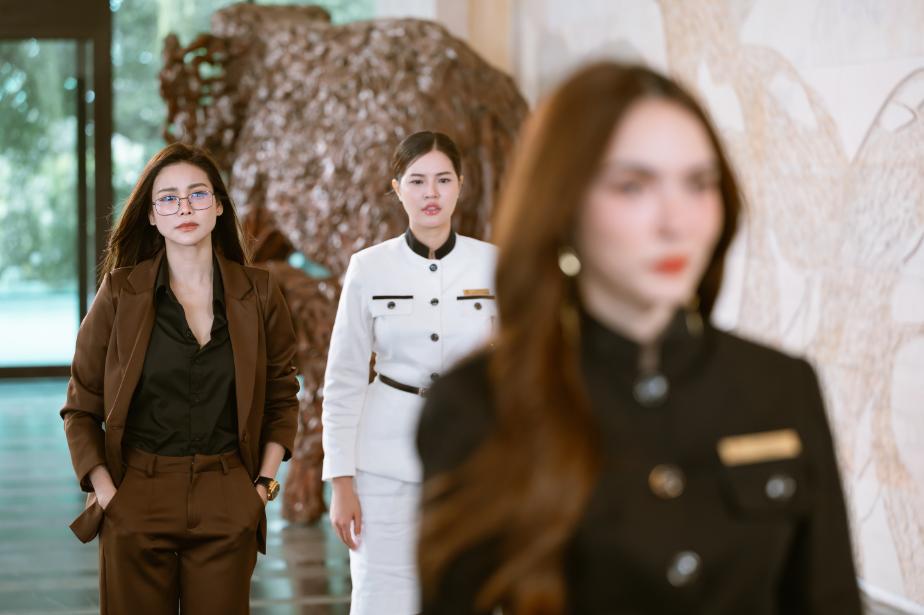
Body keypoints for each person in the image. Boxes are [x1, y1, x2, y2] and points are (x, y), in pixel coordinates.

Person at [416, 63, 863, 614]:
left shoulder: (780, 386)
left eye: (698, 184)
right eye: (632, 186)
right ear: (563, 204)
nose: (676, 222)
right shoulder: (478, 401)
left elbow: (829, 600)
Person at [60, 143, 300, 615]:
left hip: (228, 492)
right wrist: (108, 496)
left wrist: (261, 489)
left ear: (219, 206)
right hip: (137, 493)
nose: (185, 207)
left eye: (197, 194)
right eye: (168, 198)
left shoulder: (259, 292)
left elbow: (282, 395)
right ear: (152, 216)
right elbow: (80, 407)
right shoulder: (120, 293)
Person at [321, 131, 498, 614]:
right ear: (397, 188)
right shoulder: (368, 268)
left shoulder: (491, 264)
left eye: (443, 179)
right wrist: (341, 482)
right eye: (417, 181)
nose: (431, 193)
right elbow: (344, 379)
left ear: (460, 185)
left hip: (470, 457)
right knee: (382, 597)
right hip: (383, 460)